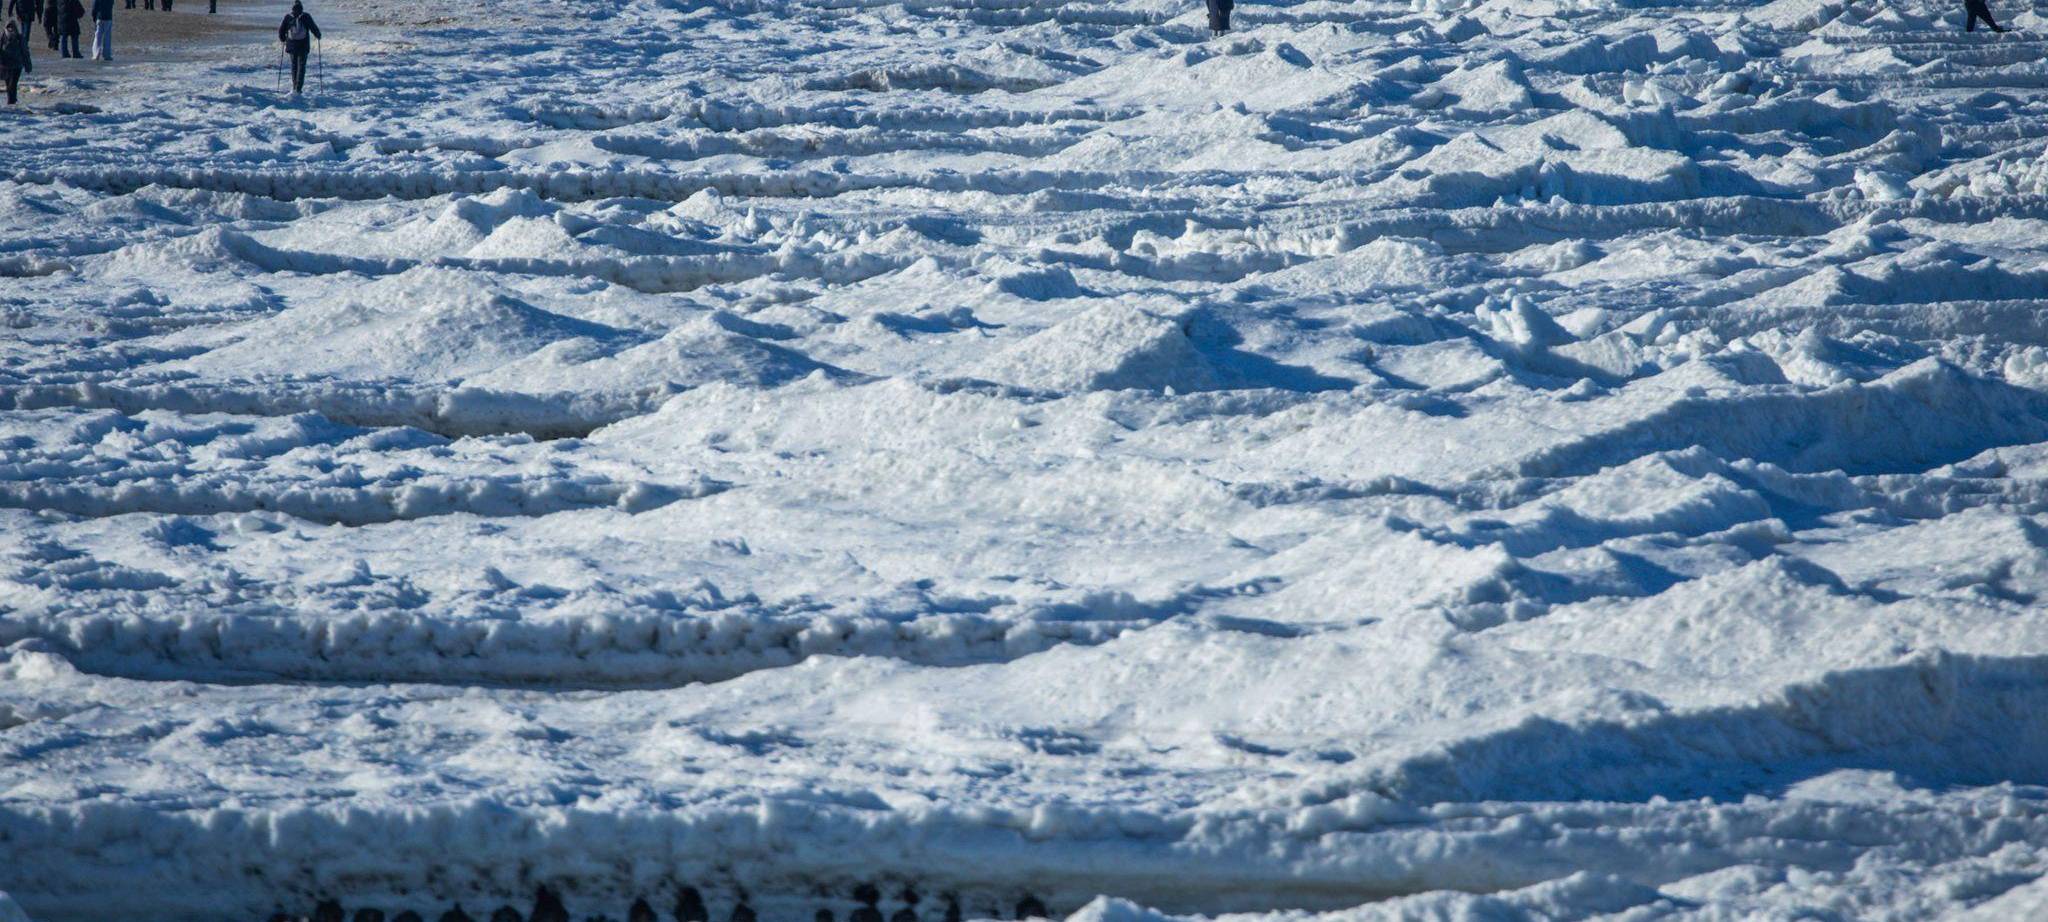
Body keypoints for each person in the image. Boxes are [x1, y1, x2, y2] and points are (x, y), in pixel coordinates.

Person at [277, 0, 319, 94]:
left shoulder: (288, 17)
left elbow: (281, 30)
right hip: (303, 45)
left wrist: (283, 38)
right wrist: (318, 35)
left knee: (294, 66)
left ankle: (294, 86)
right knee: (302, 66)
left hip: (292, 45)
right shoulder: (306, 16)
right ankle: (298, 88)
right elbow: (313, 27)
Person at [1, 21, 29, 105]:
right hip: (5, 65)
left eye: (12, 27)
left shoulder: (19, 38)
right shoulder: (2, 37)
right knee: (9, 84)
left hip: (16, 65)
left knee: (12, 84)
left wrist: (28, 65)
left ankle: (11, 101)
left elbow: (25, 51)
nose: (10, 29)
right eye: (9, 27)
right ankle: (12, 101)